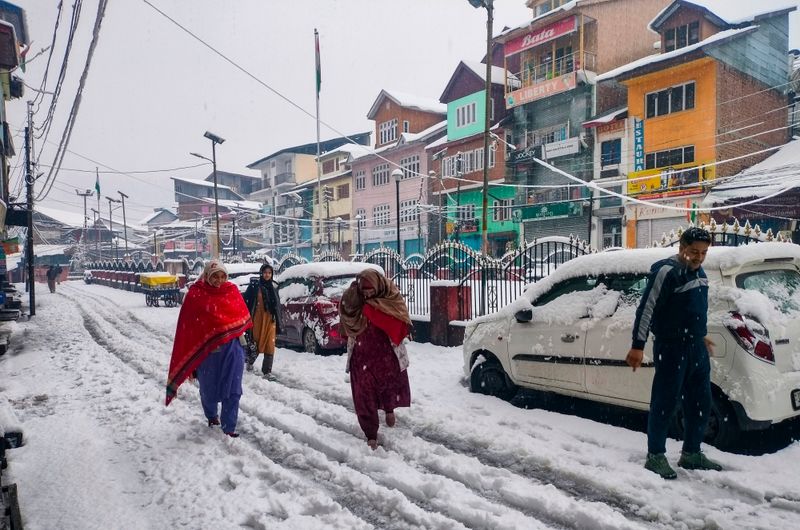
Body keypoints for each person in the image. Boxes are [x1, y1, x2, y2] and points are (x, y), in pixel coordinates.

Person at [626, 227, 722, 479]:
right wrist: (638, 345)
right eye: (694, 252)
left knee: (701, 402)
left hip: (696, 348)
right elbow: (646, 310)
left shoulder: (699, 272)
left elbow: (693, 309)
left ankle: (691, 453)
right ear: (681, 248)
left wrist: (700, 335)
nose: (699, 257)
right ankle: (655, 456)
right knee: (665, 402)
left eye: (704, 252)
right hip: (671, 348)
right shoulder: (667, 272)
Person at [166, 260, 252, 437]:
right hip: (208, 352)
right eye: (214, 276)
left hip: (233, 348)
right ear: (207, 276)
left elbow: (242, 316)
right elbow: (188, 326)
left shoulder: (232, 291)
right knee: (208, 388)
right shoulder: (197, 295)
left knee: (233, 388)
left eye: (222, 276)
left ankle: (229, 428)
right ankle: (212, 415)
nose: (219, 280)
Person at [339, 268, 412, 450]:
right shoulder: (354, 298)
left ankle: (389, 409)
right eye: (364, 289)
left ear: (378, 286)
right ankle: (370, 432)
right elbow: (346, 315)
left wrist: (375, 312)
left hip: (385, 354)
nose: (367, 293)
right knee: (363, 394)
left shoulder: (390, 297)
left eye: (371, 289)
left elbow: (400, 317)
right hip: (361, 355)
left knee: (388, 385)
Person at [242, 263, 282, 380]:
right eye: (265, 273)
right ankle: (249, 362)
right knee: (256, 343)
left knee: (270, 344)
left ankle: (267, 371)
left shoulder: (273, 287)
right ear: (261, 273)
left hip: (270, 321)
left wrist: (279, 321)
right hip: (257, 320)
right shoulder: (255, 286)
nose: (267, 275)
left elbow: (278, 306)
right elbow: (246, 301)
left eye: (269, 273)